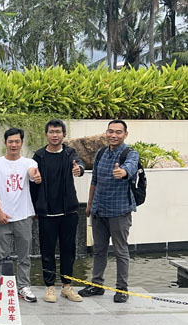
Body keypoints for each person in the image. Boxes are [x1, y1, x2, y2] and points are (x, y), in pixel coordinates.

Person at [79, 119, 139, 303]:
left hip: (119, 211)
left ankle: (122, 288)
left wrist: (123, 172)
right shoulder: (101, 153)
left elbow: (130, 167)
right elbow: (94, 180)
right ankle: (97, 285)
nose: (113, 135)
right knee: (99, 250)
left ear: (125, 135)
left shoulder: (130, 154)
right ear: (106, 133)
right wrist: (90, 204)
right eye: (110, 131)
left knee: (120, 250)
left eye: (118, 132)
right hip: (99, 210)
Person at [30, 119, 84, 303]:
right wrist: (35, 205)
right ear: (46, 134)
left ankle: (67, 287)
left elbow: (79, 165)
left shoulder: (70, 153)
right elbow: (32, 182)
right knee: (47, 250)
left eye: (58, 132)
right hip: (47, 212)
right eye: (52, 132)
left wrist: (78, 170)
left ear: (64, 135)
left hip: (68, 211)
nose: (55, 135)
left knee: (69, 249)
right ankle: (49, 287)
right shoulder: (39, 156)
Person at [0, 128, 42, 303]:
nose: (14, 144)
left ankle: (24, 286)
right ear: (5, 143)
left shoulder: (29, 162)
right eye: (10, 141)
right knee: (1, 256)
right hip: (2, 218)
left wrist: (36, 176)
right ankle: (1, 286)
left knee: (24, 256)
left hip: (23, 216)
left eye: (17, 141)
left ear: (21, 143)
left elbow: (33, 173)